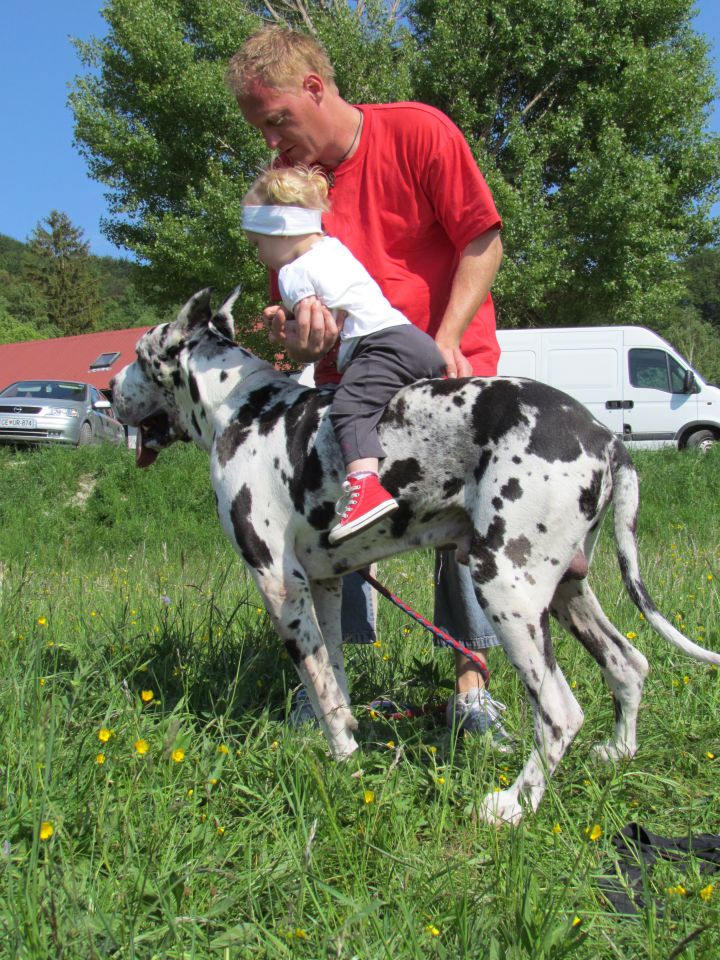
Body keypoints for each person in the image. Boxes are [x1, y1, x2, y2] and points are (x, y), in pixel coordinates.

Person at [226, 26, 510, 745]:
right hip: (351, 385)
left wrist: (445, 338)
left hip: (446, 364)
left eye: (278, 119)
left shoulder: (419, 132)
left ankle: (471, 693)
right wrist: (301, 336)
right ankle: (332, 692)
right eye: (261, 129)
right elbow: (291, 321)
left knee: (461, 530)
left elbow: (483, 239)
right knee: (332, 511)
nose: (273, 142)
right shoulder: (290, 195)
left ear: (315, 89)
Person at [242, 164, 447, 542]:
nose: (259, 257)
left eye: (258, 244)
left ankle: (365, 486)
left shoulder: (293, 271)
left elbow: (323, 328)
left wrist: (286, 333)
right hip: (415, 341)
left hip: (380, 345)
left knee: (349, 406)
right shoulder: (333, 249)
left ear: (280, 230)